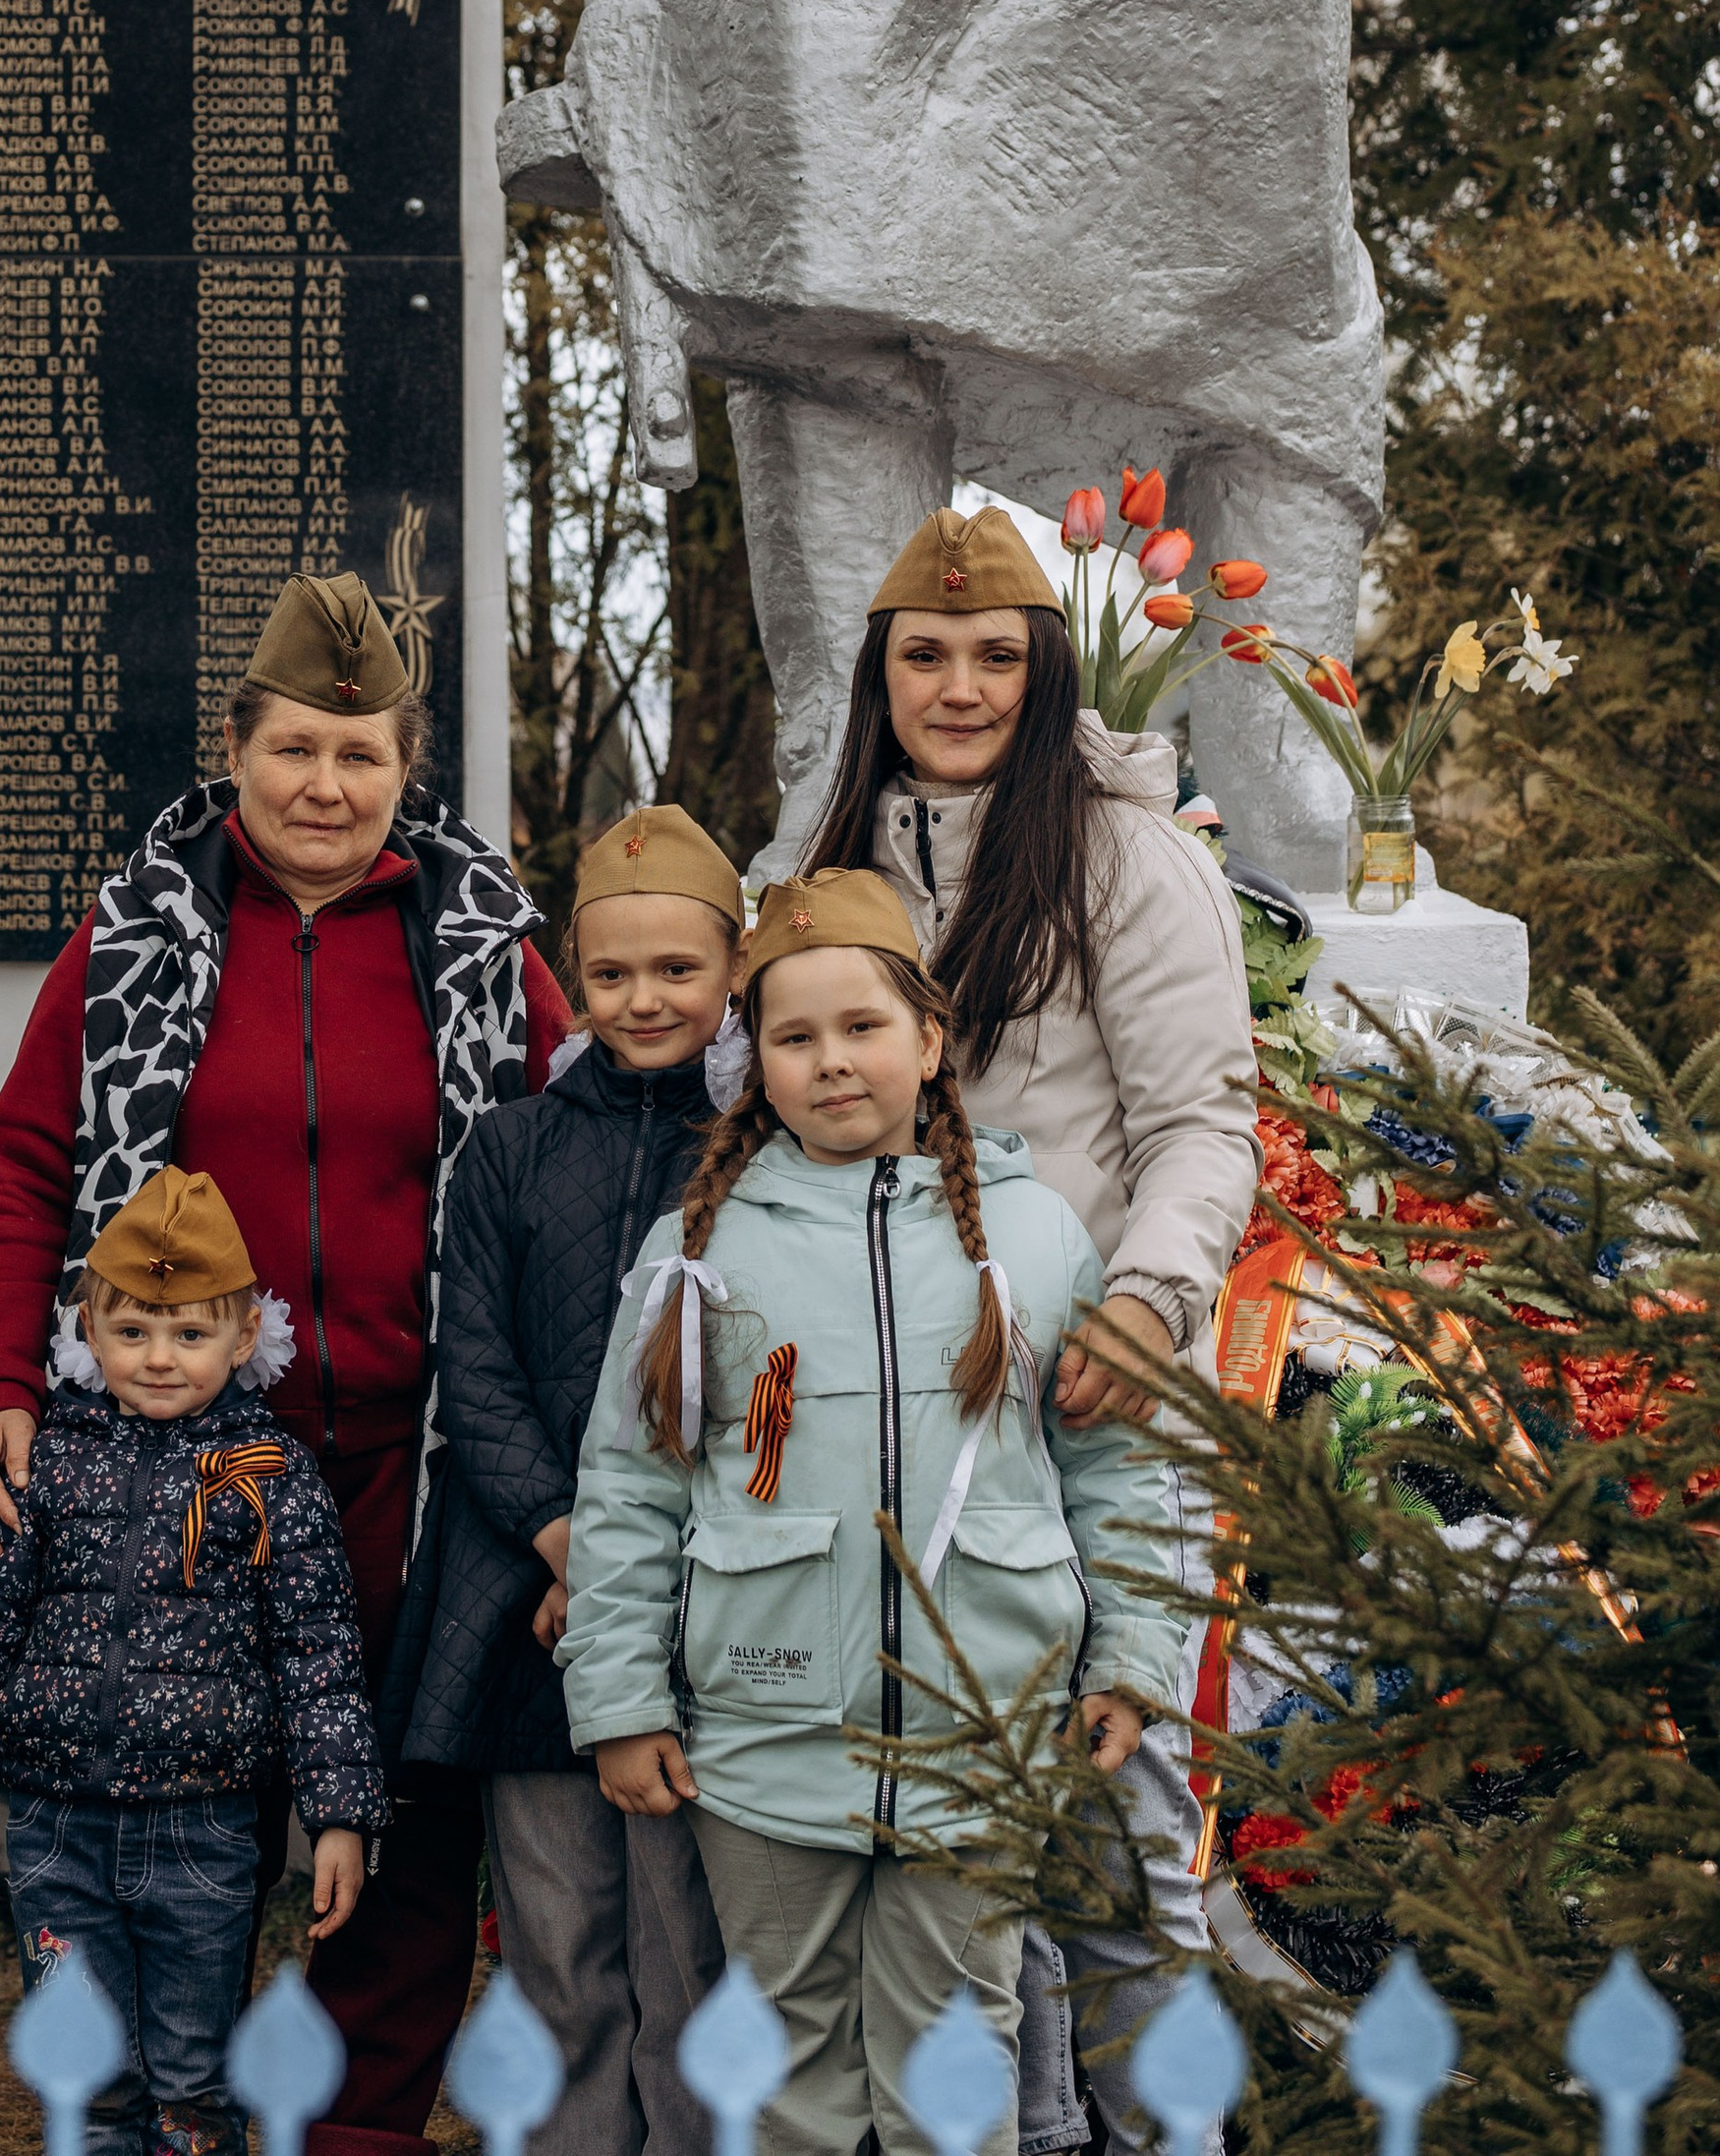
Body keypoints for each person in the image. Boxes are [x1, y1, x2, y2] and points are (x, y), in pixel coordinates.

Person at [0, 570, 570, 2156]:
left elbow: (573, 1160)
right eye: (295, 749)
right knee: (181, 1832)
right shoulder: (137, 931)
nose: (325, 786)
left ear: (402, 766)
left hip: (419, 1466)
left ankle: (354, 2132)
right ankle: (173, 2118)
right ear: (236, 747)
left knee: (408, 1819)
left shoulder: (482, 941)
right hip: (176, 1468)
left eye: (360, 756)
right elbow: (27, 1165)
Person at [556, 869, 1177, 2156]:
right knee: (787, 2056)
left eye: (863, 1027)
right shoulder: (699, 1250)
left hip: (983, 1739)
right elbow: (629, 1486)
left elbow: (1112, 1470)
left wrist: (1127, 1658)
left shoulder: (1039, 1238)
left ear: (932, 1041)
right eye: (794, 1036)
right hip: (768, 1738)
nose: (832, 1062)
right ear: (756, 1064)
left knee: (960, 2053)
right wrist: (621, 1702)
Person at [802, 501, 1258, 2152]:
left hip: (1094, 1413)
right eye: (925, 654)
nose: (961, 684)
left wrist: (1147, 1297)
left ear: (1047, 670)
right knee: (953, 1868)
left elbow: (1208, 1119)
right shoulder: (832, 860)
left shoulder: (1133, 857)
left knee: (1118, 1841)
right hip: (903, 1429)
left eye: (997, 655)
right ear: (883, 673)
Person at [0, 1167, 388, 2156]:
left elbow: (316, 1656)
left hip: (200, 1834)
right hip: (54, 1830)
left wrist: (338, 1818)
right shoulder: (44, 1465)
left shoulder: (270, 1481)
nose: (160, 1360)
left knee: (192, 2083)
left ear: (244, 1338)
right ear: (88, 1330)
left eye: (190, 1334)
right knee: (87, 2077)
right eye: (133, 1332)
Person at [393, 804, 743, 2156]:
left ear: (729, 977)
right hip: (528, 1609)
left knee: (689, 1964)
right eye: (612, 974)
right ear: (572, 977)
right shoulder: (512, 1149)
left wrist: (640, 1580)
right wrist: (568, 1549)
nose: (643, 999)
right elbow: (470, 1369)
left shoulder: (759, 1156)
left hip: (699, 1619)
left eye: (677, 972)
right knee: (559, 1957)